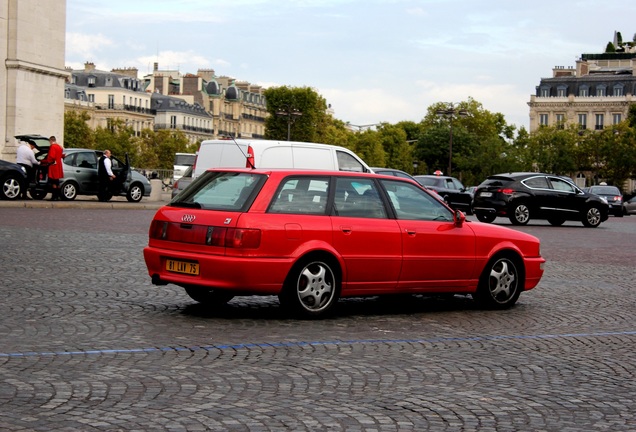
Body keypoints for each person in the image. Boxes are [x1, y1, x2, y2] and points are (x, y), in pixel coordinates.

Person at [39, 136, 64, 201]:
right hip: (58, 165)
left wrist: (44, 161)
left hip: (53, 166)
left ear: (50, 140)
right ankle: (58, 196)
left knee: (53, 181)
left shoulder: (52, 147)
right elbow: (61, 155)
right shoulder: (59, 147)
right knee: (57, 182)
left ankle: (54, 197)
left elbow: (51, 156)